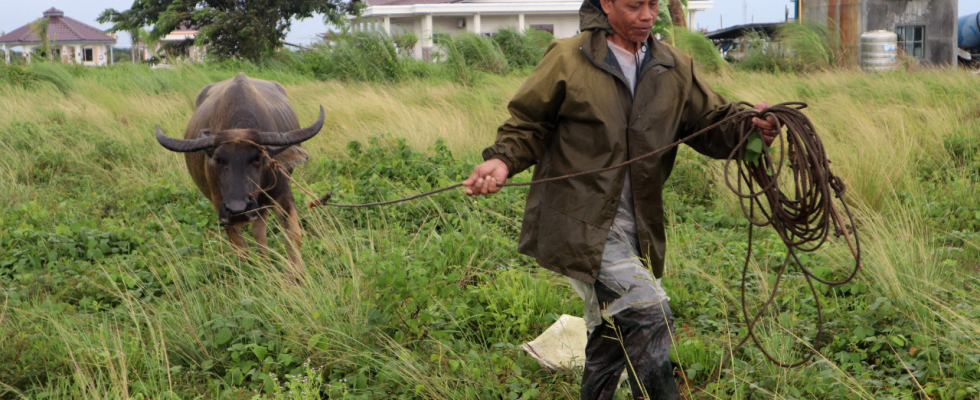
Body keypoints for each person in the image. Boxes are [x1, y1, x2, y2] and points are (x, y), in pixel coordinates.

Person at [462, 0, 778, 398]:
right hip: (581, 222)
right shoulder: (567, 57)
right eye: (633, 5)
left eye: (653, 4)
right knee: (649, 312)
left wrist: (750, 129)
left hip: (639, 227)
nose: (646, 15)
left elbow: (710, 125)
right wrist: (502, 161)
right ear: (607, 3)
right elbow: (528, 123)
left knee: (609, 335)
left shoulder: (674, 65)